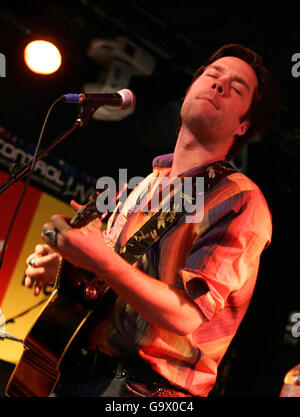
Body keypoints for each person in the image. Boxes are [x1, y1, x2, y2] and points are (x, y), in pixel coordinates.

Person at [24, 44, 281, 397]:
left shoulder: (240, 198)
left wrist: (98, 256)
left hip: (151, 392)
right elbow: (116, 277)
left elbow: (186, 316)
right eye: (212, 76)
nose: (219, 86)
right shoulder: (144, 184)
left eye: (235, 89)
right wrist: (69, 266)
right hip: (79, 371)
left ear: (243, 125)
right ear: (189, 91)